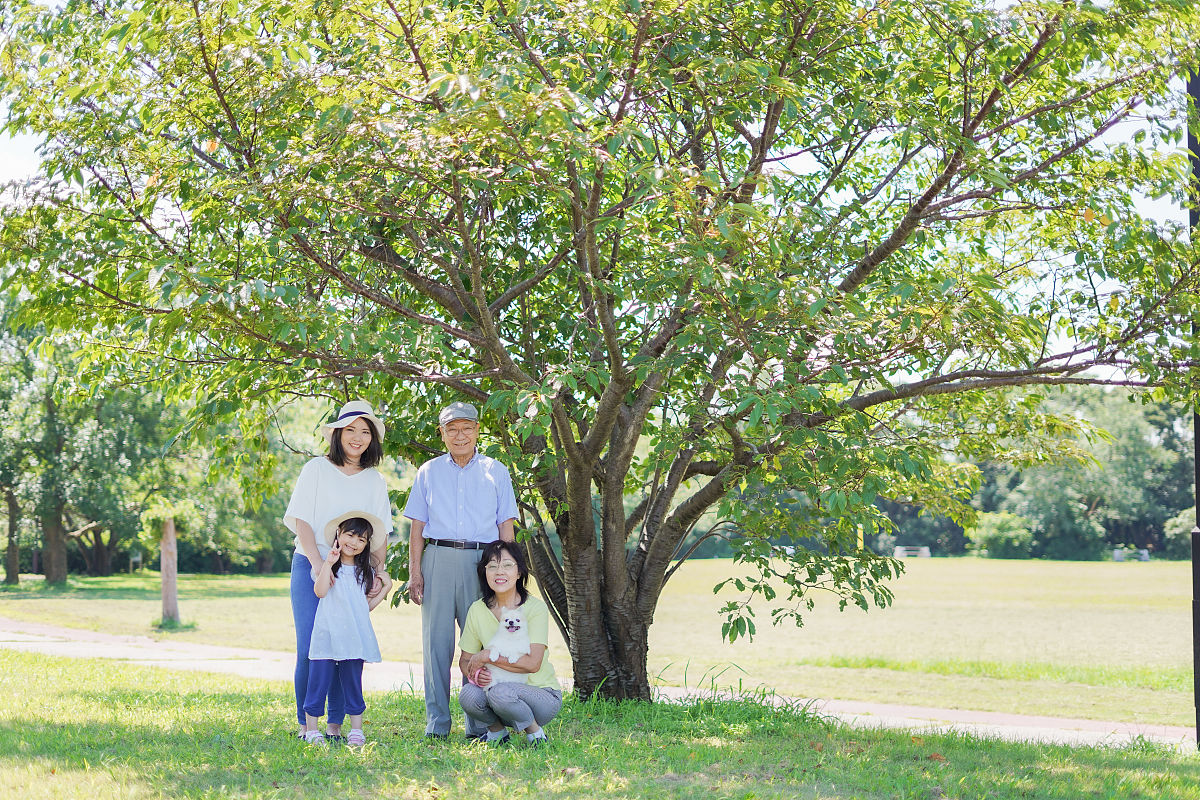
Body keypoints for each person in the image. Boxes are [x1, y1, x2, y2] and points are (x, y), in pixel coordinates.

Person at [403, 401, 518, 739]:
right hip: (437, 558)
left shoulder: (495, 470)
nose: (459, 434)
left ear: (477, 430)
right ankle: (437, 725)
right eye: (451, 429)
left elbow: (506, 527)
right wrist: (415, 572)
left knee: (480, 644)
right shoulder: (428, 471)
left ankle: (481, 725)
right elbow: (416, 529)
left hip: (483, 562)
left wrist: (507, 576)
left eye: (466, 427)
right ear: (442, 434)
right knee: (436, 646)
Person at [284, 400, 393, 742]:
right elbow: (302, 520)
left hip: (352, 572)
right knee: (312, 647)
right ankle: (307, 725)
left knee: (344, 646)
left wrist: (379, 573)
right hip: (310, 564)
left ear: (371, 438)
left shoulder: (374, 480)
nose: (358, 438)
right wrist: (320, 567)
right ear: (337, 433)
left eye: (365, 431)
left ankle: (335, 725)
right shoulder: (316, 469)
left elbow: (379, 535)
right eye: (351, 430)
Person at [458, 541, 560, 747]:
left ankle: (536, 733)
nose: (499, 572)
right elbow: (465, 661)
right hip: (498, 693)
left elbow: (533, 664)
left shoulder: (535, 608)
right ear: (484, 572)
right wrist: (477, 673)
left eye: (507, 565)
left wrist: (487, 656)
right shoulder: (477, 609)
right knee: (468, 694)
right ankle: (497, 733)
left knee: (500, 693)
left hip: (540, 695)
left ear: (520, 571)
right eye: (492, 566)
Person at [303, 512, 386, 746]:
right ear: (338, 534)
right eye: (350, 535)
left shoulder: (365, 572)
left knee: (353, 682)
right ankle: (312, 730)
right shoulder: (327, 566)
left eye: (362, 539)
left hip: (354, 637)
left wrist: (385, 590)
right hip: (326, 635)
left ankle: (356, 731)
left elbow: (364, 607)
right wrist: (328, 563)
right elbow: (320, 592)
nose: (355, 543)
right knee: (318, 681)